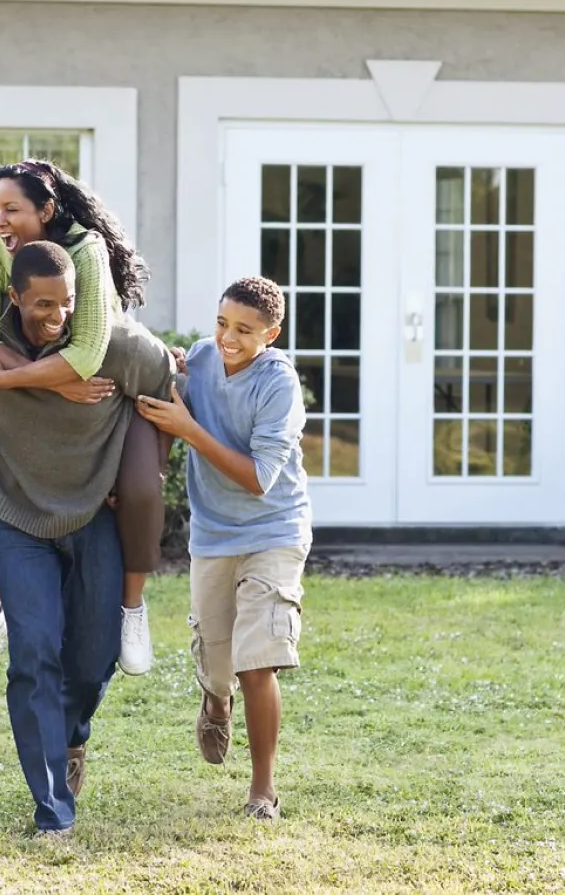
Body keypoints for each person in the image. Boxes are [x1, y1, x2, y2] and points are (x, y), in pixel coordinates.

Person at [0, 241, 174, 836]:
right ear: (13, 297)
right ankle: (53, 808)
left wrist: (142, 474)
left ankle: (71, 736)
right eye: (41, 306)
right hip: (16, 517)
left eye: (67, 304)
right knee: (34, 655)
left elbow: (167, 390)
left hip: (96, 517)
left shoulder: (115, 343)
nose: (56, 316)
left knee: (90, 659)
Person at [0, 159, 165, 678]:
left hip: (119, 367)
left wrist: (6, 377)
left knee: (140, 490)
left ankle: (133, 609)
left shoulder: (85, 251)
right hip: (34, 372)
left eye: (12, 209)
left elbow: (88, 355)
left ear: (46, 210)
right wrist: (12, 377)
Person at [134, 276, 311, 821]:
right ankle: (216, 699)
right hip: (214, 534)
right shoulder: (206, 359)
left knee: (258, 661)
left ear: (272, 334)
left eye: (244, 331)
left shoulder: (279, 386)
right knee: (218, 661)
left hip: (275, 531)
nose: (228, 338)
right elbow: (164, 386)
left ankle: (263, 792)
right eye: (221, 324)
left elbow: (260, 477)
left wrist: (188, 429)